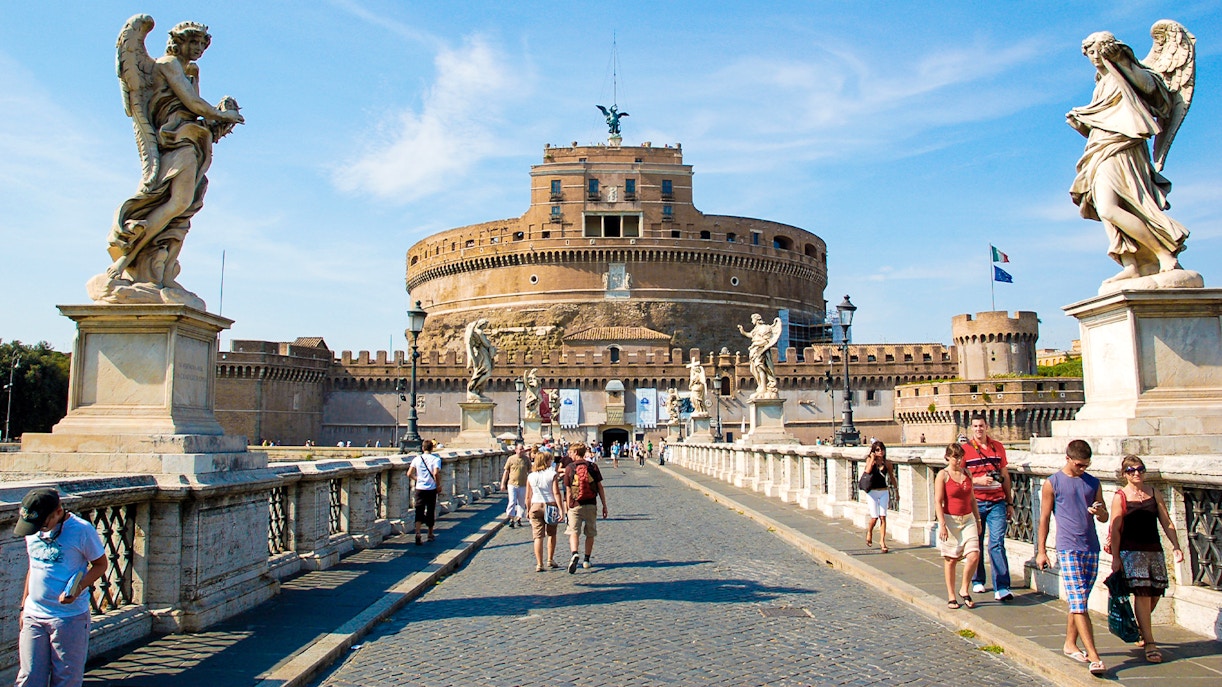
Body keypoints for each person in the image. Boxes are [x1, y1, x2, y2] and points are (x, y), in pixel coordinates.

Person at [1068, 26, 1194, 284]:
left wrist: (1121, 62)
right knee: (1105, 208)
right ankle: (1131, 263)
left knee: (1114, 206)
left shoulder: (1128, 73)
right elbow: (1108, 119)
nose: (1094, 56)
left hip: (1125, 148)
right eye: (1089, 52)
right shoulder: (1101, 84)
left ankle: (1163, 253)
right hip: (1101, 148)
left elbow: (1151, 91)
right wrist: (1083, 122)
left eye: (1097, 49)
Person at [14, 488, 108, 687]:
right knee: (29, 677)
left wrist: (78, 588)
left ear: (58, 511)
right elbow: (34, 568)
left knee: (66, 680)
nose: (38, 528)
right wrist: (24, 607)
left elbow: (101, 564)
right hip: (34, 614)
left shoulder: (81, 531)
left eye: (43, 523)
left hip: (68, 617)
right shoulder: (33, 529)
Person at [1035, 439, 1109, 677]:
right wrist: (1042, 550)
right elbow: (1044, 518)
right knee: (1078, 602)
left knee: (1080, 601)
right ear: (1067, 459)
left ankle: (1069, 643)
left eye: (1086, 465)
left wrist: (1100, 512)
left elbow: (1105, 516)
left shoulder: (1093, 483)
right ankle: (1094, 657)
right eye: (1079, 465)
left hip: (1091, 547)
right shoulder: (1053, 483)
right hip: (1067, 548)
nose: (1082, 469)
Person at [1107, 454, 1184, 663]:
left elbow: (1166, 521)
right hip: (1131, 551)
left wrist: (1176, 546)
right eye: (1131, 471)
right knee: (1142, 593)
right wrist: (1116, 557)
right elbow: (1114, 528)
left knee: (1156, 592)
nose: (1137, 474)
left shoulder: (1153, 493)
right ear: (1125, 474)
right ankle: (1150, 642)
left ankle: (1141, 626)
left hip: (1154, 549)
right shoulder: (1120, 496)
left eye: (1140, 469)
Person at [964, 416, 1015, 602]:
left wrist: (1010, 502)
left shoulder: (997, 447)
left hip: (997, 502)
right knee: (976, 544)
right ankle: (978, 580)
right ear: (971, 428)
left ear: (987, 427)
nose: (979, 429)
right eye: (975, 426)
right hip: (975, 503)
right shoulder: (965, 450)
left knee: (997, 544)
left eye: (981, 426)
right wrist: (977, 480)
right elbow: (960, 477)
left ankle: (1002, 586)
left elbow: (1005, 476)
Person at [934, 443, 981, 609]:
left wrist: (978, 520)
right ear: (948, 457)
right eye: (955, 457)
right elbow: (938, 501)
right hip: (951, 520)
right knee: (951, 559)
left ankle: (964, 588)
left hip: (968, 519)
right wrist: (942, 525)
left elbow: (973, 499)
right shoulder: (943, 475)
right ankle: (951, 595)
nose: (958, 460)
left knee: (974, 555)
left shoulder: (967, 473)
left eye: (961, 457)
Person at [563, 444, 608, 573]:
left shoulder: (570, 468)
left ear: (576, 452)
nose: (569, 454)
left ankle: (574, 553)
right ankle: (587, 560)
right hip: (591, 503)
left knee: (573, 531)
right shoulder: (592, 466)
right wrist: (604, 505)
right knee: (590, 533)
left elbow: (568, 490)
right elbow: (600, 487)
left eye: (570, 452)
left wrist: (567, 508)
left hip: (575, 505)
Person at [525, 451, 566, 571]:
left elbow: (528, 496)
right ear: (546, 461)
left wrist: (528, 510)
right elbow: (556, 492)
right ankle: (550, 559)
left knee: (538, 537)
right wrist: (561, 509)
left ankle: (539, 564)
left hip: (535, 505)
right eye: (550, 460)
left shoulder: (531, 476)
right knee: (551, 534)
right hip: (550, 505)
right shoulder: (551, 474)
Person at [407, 439, 442, 545]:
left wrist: (417, 479)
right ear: (432, 448)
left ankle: (417, 533)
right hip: (430, 489)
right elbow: (436, 473)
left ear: (422, 448)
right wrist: (438, 485)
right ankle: (430, 534)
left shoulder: (417, 459)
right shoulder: (436, 459)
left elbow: (409, 474)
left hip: (419, 488)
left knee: (419, 510)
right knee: (431, 511)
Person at [861, 441, 892, 553]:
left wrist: (897, 492)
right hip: (872, 492)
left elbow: (892, 477)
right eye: (878, 450)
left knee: (883, 517)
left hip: (884, 491)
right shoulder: (870, 461)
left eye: (882, 449)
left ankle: (882, 542)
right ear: (874, 451)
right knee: (874, 518)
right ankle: (870, 531)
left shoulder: (887, 463)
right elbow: (868, 471)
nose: (881, 452)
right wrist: (872, 459)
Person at [501, 445, 531, 528]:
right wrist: (503, 483)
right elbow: (506, 471)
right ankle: (511, 518)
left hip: (523, 484)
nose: (522, 451)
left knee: (521, 503)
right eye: (520, 449)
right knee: (512, 501)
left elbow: (530, 471)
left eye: (522, 449)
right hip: (512, 484)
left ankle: (519, 518)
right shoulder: (511, 459)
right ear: (516, 450)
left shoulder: (526, 459)